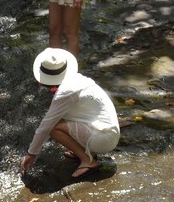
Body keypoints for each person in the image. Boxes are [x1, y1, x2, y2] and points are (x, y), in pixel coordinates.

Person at [21, 47, 119, 179]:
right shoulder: (78, 80)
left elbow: (45, 127)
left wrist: (32, 153)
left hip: (104, 139)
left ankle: (87, 160)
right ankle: (86, 152)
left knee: (54, 127)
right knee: (60, 120)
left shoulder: (66, 92)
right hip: (109, 132)